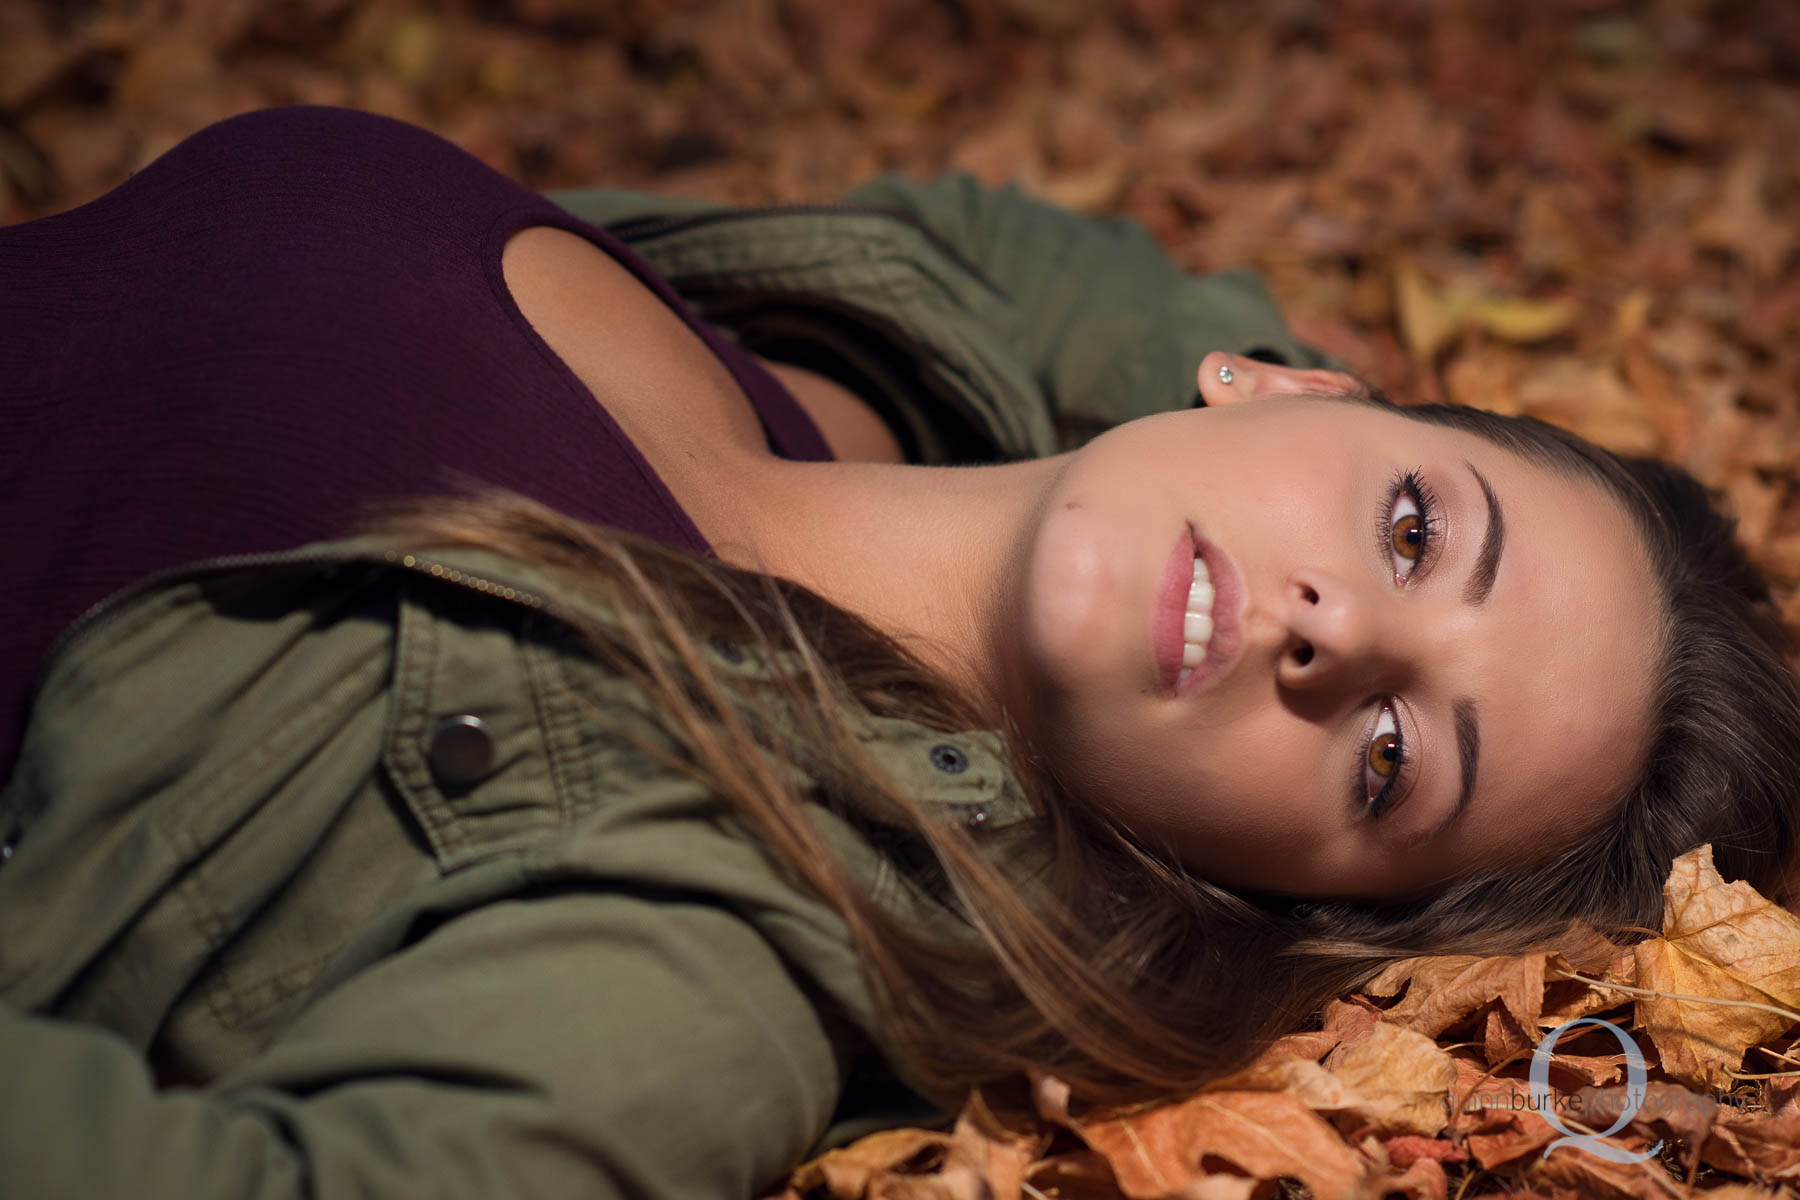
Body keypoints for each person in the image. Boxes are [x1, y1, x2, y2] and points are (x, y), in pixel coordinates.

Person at [0, 103, 1795, 1198]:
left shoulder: (731, 922)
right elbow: (1054, 264)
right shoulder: (901, 342)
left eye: (1393, 759)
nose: (1336, 630)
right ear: (1288, 381)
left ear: (1283, 885)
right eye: (1413, 529)